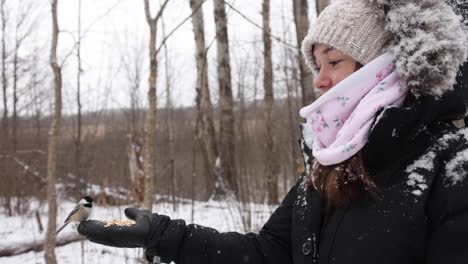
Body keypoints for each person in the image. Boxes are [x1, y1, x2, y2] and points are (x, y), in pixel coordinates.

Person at [78, 0, 468, 263]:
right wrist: (165, 236)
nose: (320, 81)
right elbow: (268, 253)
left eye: (334, 61)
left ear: (382, 67)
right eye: (316, 66)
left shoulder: (451, 167)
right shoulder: (329, 164)